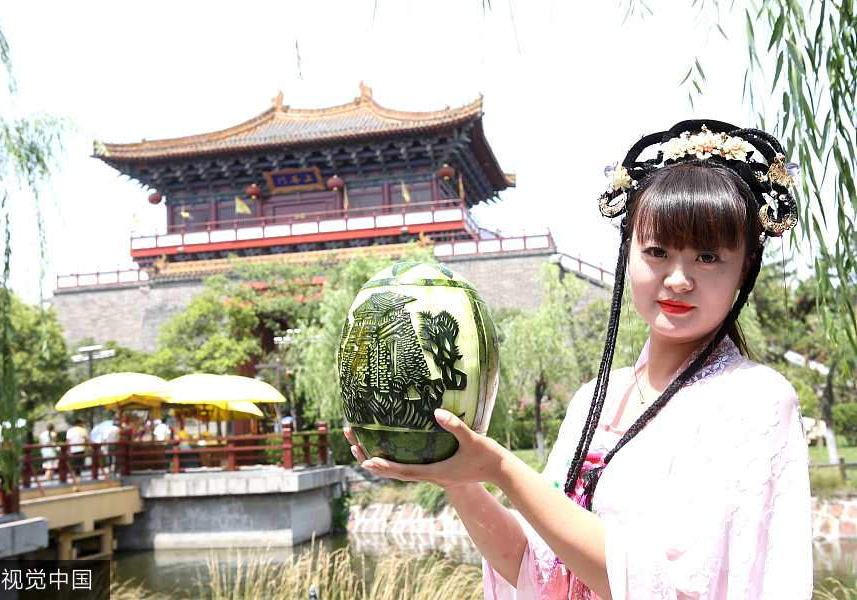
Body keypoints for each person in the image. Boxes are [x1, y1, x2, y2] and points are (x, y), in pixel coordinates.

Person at [344, 120, 812, 599]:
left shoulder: (754, 401)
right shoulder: (596, 399)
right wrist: (456, 474)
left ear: (744, 268)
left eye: (708, 257)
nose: (677, 279)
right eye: (656, 251)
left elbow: (665, 587)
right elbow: (532, 567)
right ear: (627, 254)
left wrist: (502, 469)